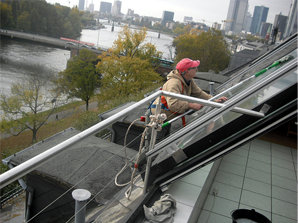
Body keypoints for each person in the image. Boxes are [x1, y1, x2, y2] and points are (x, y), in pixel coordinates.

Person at [150, 58, 228, 140]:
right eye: (194, 68)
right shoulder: (174, 83)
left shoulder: (188, 80)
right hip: (157, 117)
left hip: (166, 116)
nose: (196, 69)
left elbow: (199, 93)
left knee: (164, 140)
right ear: (187, 71)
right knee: (154, 143)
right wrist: (191, 105)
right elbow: (173, 104)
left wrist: (214, 100)